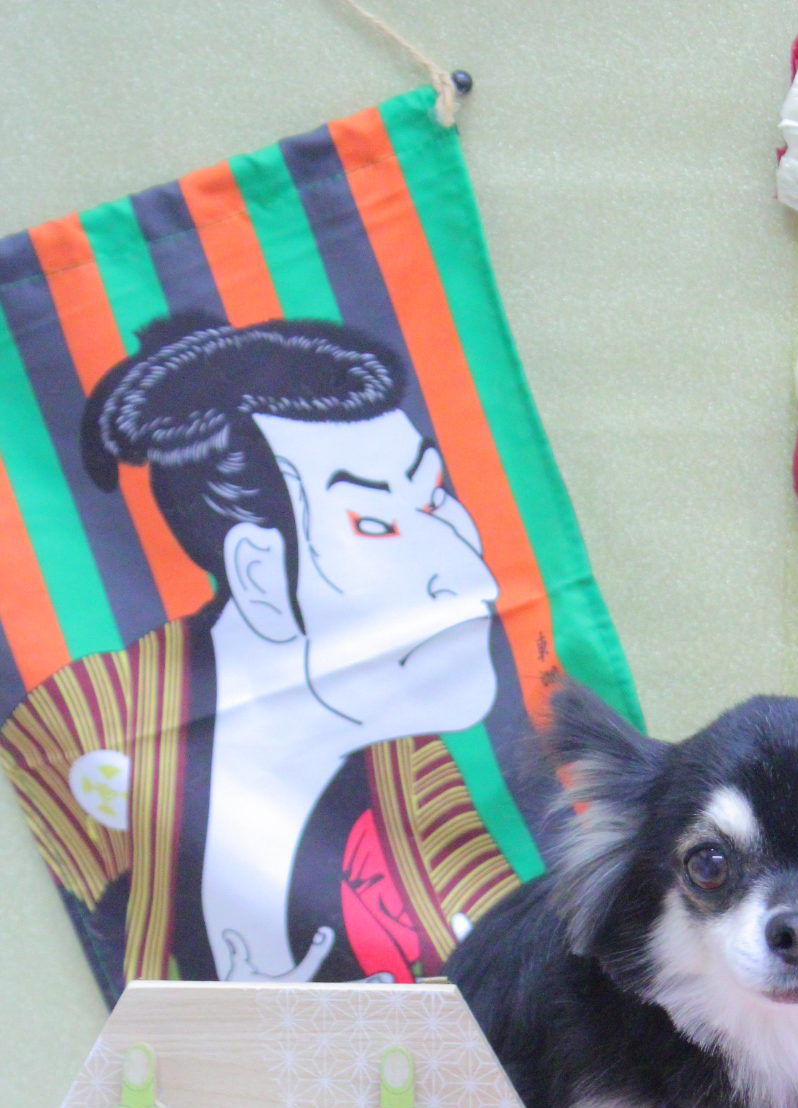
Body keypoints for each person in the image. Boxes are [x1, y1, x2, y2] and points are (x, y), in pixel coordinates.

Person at [0, 315, 526, 996]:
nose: (470, 575)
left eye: (435, 498)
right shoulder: (91, 728)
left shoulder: (411, 769)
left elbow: (523, 981)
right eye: (375, 523)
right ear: (259, 574)